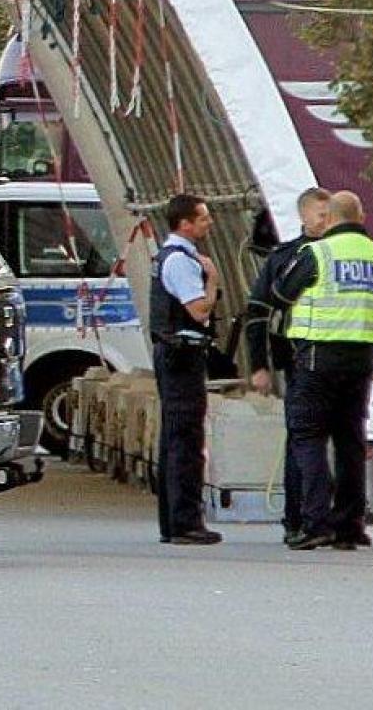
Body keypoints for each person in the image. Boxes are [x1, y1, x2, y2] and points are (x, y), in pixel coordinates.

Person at [272, 190, 373, 551]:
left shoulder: (317, 253)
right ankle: (350, 525)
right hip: (361, 360)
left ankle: (315, 522)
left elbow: (280, 293)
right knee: (350, 441)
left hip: (317, 357)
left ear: (332, 219)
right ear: (362, 218)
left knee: (308, 438)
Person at [246, 187, 330, 545]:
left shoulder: (339, 255)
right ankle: (297, 517)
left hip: (336, 361)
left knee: (326, 439)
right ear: (303, 217)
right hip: (297, 360)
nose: (327, 222)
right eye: (321, 215)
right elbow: (258, 313)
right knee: (302, 439)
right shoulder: (285, 258)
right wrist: (260, 365)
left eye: (331, 215)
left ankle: (330, 517)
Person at [150, 193, 223, 545]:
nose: (209, 223)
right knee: (186, 440)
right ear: (185, 224)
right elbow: (199, 311)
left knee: (175, 437)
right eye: (204, 218)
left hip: (172, 354)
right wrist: (212, 282)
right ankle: (186, 522)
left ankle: (173, 520)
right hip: (182, 355)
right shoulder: (180, 261)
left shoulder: (170, 255)